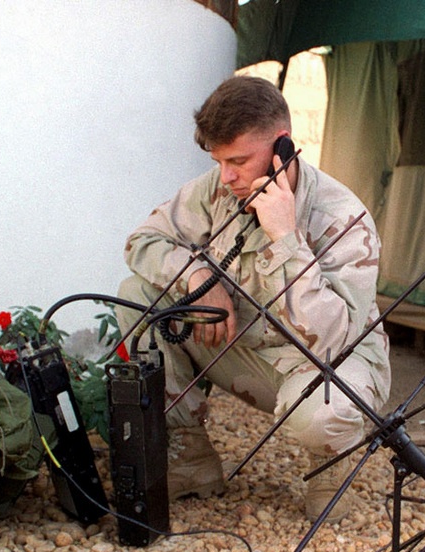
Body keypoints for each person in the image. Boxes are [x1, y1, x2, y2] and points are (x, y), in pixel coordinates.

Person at [116, 75, 390, 523]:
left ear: (282, 146)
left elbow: (330, 342)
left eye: (238, 161)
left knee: (324, 411)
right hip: (251, 349)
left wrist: (286, 237)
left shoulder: (343, 218)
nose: (227, 176)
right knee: (139, 298)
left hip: (324, 366)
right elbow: (143, 241)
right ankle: (191, 458)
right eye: (219, 161)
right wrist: (200, 278)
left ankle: (329, 470)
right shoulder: (221, 187)